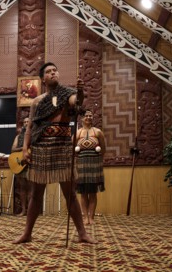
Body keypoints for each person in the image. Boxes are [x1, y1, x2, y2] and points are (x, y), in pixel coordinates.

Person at [13, 62, 95, 244]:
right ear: (43, 78)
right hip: (41, 148)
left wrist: (80, 91)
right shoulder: (37, 101)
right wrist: (26, 148)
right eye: (49, 72)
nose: (53, 73)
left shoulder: (68, 95)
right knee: (36, 194)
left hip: (62, 148)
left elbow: (78, 103)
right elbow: (30, 128)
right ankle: (27, 233)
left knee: (70, 194)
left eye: (55, 70)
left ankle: (82, 233)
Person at [75, 109, 106, 225]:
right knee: (83, 192)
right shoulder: (77, 133)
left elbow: (103, 149)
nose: (89, 117)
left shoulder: (98, 132)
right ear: (82, 119)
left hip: (94, 164)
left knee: (93, 192)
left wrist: (97, 159)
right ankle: (85, 217)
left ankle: (91, 217)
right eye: (86, 116)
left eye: (90, 116)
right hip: (81, 164)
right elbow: (73, 150)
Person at [10, 117, 31, 216]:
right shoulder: (18, 137)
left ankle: (31, 211)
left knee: (32, 188)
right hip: (20, 164)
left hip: (31, 163)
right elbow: (13, 149)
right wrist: (23, 148)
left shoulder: (34, 135)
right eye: (25, 122)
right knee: (22, 187)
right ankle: (23, 210)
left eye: (28, 122)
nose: (26, 123)